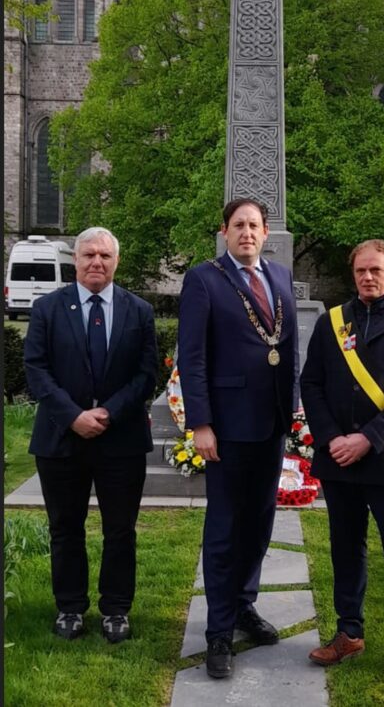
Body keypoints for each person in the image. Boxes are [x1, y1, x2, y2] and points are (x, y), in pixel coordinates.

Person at [301, 239, 384, 690]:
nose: (367, 278)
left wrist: (367, 439)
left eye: (376, 269)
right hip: (339, 457)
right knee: (345, 548)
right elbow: (312, 383)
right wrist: (332, 438)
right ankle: (350, 632)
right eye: (360, 271)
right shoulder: (332, 323)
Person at [178, 198, 299, 679]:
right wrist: (201, 424)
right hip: (225, 429)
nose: (246, 232)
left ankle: (245, 605)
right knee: (225, 530)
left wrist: (292, 412)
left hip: (271, 425)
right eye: (238, 225)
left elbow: (287, 349)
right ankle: (219, 633)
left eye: (254, 225)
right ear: (224, 232)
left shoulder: (281, 277)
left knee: (260, 524)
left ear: (266, 232)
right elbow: (192, 356)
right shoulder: (203, 279)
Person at [24, 227, 158, 644]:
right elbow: (36, 370)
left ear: (116, 261)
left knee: (121, 529)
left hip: (122, 441)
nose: (96, 262)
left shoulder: (139, 311)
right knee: (66, 527)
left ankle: (116, 609)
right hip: (61, 440)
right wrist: (73, 416)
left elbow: (146, 375)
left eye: (104, 255)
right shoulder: (47, 309)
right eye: (88, 255)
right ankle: (70, 607)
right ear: (75, 260)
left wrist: (108, 412)